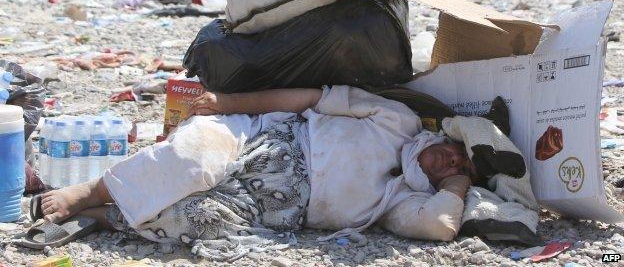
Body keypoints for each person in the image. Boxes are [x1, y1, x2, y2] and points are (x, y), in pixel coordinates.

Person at [38, 86, 477, 260]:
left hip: (268, 208)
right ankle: (92, 191)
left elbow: (441, 227)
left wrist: (458, 184)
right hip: (263, 139)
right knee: (195, 161)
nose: (451, 163)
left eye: (459, 170)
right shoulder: (398, 121)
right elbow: (309, 97)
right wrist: (228, 105)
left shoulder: (405, 200)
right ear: (447, 136)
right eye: (457, 153)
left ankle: (103, 217)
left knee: (198, 219)